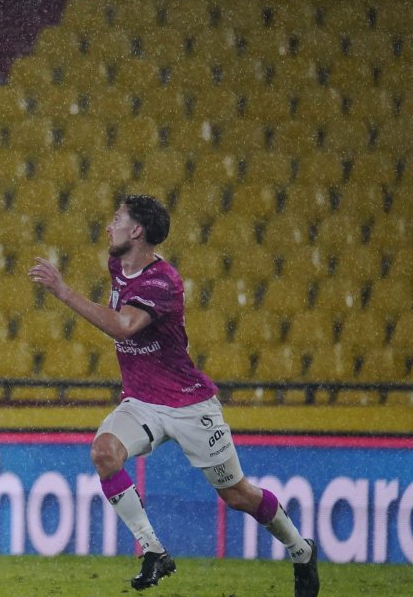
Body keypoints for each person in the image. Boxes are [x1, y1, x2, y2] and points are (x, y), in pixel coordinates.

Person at [28, 194, 319, 596]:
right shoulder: (119, 265)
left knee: (237, 495)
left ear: (137, 231)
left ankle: (301, 550)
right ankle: (154, 551)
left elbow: (124, 327)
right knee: (104, 453)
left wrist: (63, 291)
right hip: (143, 401)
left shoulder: (163, 282)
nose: (109, 225)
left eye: (118, 219)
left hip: (188, 403)